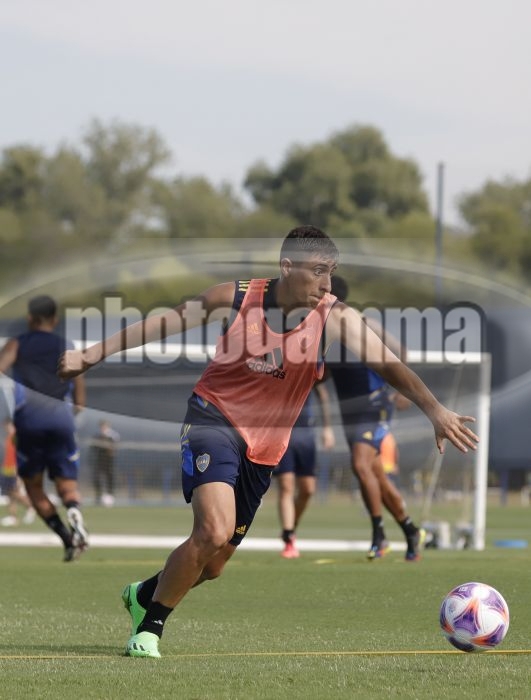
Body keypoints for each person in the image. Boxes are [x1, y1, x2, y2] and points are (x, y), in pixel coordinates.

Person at [58, 226, 478, 658]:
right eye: (318, 271)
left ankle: (144, 594)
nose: (327, 284)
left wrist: (435, 410)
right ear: (287, 267)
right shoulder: (236, 298)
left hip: (265, 446)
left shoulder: (334, 317)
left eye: (332, 272)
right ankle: (150, 629)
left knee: (214, 564)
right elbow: (160, 324)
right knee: (213, 530)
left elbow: (388, 364)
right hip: (213, 418)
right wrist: (89, 355)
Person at [328, 275, 425, 561]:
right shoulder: (319, 331)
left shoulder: (363, 323)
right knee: (375, 476)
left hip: (375, 404)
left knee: (360, 465)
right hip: (349, 411)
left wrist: (404, 391)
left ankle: (378, 535)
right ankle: (410, 529)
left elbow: (402, 352)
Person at [0, 295, 89, 561]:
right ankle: (73, 509)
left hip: (29, 420)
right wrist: (73, 411)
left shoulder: (18, 343)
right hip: (61, 418)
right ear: (55, 319)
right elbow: (80, 395)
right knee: (67, 484)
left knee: (34, 487)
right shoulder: (67, 345)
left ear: (29, 318)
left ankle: (66, 539)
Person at [275, 382, 335, 558]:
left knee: (308, 489)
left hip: (305, 436)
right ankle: (289, 538)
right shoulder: (273, 368)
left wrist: (327, 428)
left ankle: (290, 527)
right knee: (286, 486)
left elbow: (322, 394)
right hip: (280, 433)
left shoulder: (307, 367)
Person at [0, 420, 36, 526]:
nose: (7, 428)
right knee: (10, 494)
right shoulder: (9, 438)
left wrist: (18, 471)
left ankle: (31, 507)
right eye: (6, 427)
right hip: (6, 469)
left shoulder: (17, 438)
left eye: (9, 426)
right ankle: (13, 517)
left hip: (14, 470)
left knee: (15, 492)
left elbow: (20, 455)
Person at [90, 419, 120, 506]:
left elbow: (114, 449)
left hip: (109, 462)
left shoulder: (113, 436)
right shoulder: (97, 436)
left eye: (105, 426)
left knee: (110, 478)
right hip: (99, 461)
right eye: (102, 426)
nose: (103, 428)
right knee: (97, 478)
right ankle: (98, 496)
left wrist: (109, 448)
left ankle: (110, 495)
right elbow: (93, 448)